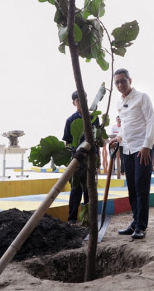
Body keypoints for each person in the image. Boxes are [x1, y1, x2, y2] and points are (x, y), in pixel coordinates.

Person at [110, 68, 154, 240]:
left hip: (142, 149)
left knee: (141, 188)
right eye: (117, 82)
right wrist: (118, 137)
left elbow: (150, 121)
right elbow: (126, 126)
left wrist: (146, 146)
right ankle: (135, 222)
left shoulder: (142, 97)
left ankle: (141, 226)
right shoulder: (119, 103)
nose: (120, 85)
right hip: (127, 149)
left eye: (123, 81)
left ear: (130, 80)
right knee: (132, 187)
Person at [62, 91, 99, 225]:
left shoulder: (94, 117)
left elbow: (97, 138)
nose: (81, 102)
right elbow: (68, 142)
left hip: (91, 159)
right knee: (76, 189)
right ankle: (72, 219)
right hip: (77, 160)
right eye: (78, 100)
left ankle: (88, 218)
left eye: (84, 99)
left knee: (89, 189)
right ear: (73, 103)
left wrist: (97, 158)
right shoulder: (70, 120)